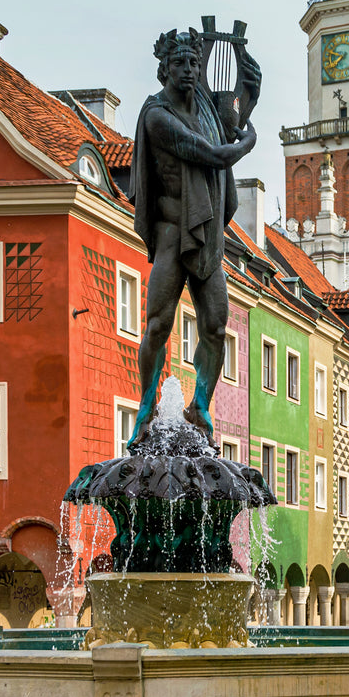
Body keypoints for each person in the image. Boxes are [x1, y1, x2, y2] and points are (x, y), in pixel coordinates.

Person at [128, 27, 261, 446]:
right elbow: (214, 152)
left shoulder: (204, 103)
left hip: (206, 237)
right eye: (179, 64)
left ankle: (200, 406)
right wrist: (250, 139)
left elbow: (229, 122)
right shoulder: (157, 116)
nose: (188, 70)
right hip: (171, 232)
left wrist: (249, 93)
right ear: (164, 69)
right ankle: (146, 410)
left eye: (192, 63)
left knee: (216, 325)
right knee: (157, 324)